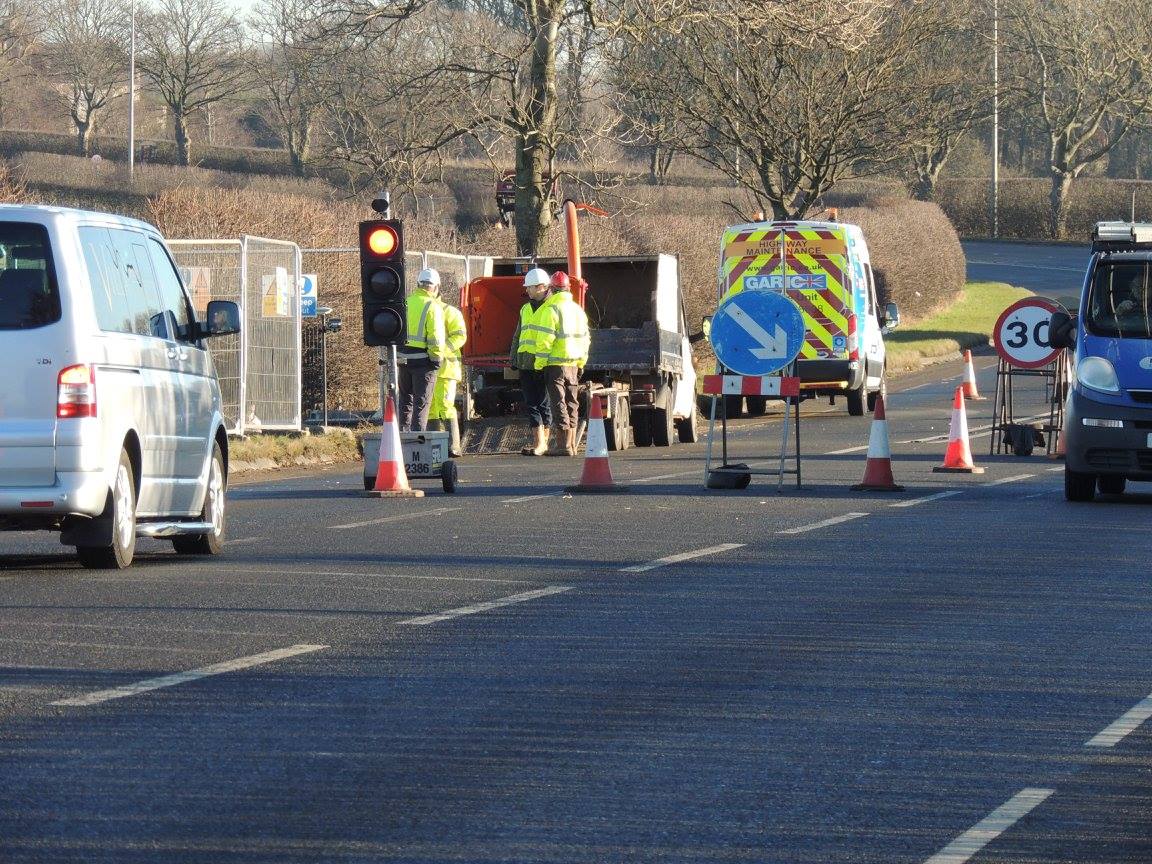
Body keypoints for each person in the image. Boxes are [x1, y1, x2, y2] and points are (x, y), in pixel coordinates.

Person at [533, 270, 590, 456]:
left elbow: (544, 341)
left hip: (554, 364)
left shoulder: (550, 309)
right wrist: (581, 362)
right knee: (572, 402)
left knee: (558, 403)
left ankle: (563, 445)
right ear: (568, 288)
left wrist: (539, 364)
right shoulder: (578, 310)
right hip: (573, 363)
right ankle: (571, 444)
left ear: (551, 289)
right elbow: (585, 339)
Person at [397, 267, 446, 432]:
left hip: (402, 358)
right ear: (436, 287)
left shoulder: (405, 303)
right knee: (421, 403)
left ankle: (402, 436)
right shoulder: (433, 306)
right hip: (423, 362)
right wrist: (436, 360)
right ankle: (418, 439)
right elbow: (435, 338)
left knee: (405, 400)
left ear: (418, 284)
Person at [511, 267, 553, 456]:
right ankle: (539, 442)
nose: (527, 290)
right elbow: (518, 335)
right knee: (531, 403)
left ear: (541, 287)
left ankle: (544, 443)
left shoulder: (551, 307)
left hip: (543, 363)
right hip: (525, 363)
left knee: (543, 403)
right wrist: (514, 358)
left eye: (530, 287)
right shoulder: (525, 309)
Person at [429, 288, 467, 457]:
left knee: (445, 405)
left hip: (446, 369)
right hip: (430, 368)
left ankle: (453, 446)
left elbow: (460, 336)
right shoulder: (428, 311)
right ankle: (433, 446)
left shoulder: (449, 312)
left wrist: (440, 351)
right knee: (431, 407)